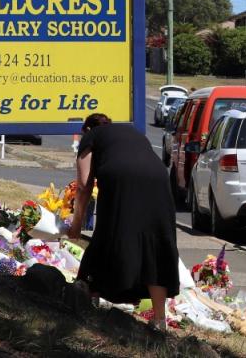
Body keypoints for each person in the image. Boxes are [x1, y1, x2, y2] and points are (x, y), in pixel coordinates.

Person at [69, 113, 180, 329]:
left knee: (110, 232)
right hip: (158, 178)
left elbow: (83, 185)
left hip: (121, 178)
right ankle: (159, 320)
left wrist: (76, 225)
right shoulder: (131, 133)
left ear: (88, 129)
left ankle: (87, 290)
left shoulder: (92, 136)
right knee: (155, 243)